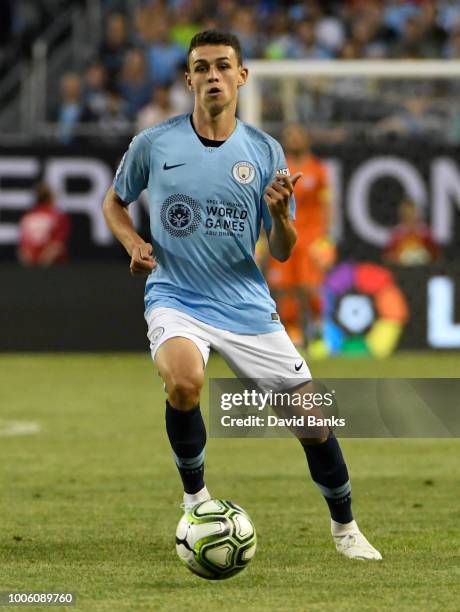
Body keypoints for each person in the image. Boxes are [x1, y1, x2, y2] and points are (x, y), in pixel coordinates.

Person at [103, 30, 381, 561]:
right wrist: (133, 241)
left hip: (245, 303)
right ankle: (196, 499)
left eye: (223, 66)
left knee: (313, 423)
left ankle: (346, 529)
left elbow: (280, 250)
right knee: (184, 381)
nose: (213, 76)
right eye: (202, 67)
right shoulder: (154, 143)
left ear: (242, 77)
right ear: (188, 79)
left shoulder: (264, 150)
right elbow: (114, 203)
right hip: (176, 294)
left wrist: (279, 217)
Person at [264, 124, 334, 345]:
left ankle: (317, 325)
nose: (292, 140)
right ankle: (293, 333)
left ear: (306, 139)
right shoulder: (279, 170)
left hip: (311, 236)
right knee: (285, 288)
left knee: (310, 286)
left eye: (296, 136)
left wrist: (326, 239)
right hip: (286, 232)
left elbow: (327, 205)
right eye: (288, 136)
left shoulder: (318, 169)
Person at [18, 182, 70, 266]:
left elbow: (23, 248)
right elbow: (57, 244)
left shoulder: (28, 216)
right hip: (53, 265)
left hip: (32, 265)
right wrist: (44, 263)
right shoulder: (57, 215)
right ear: (50, 197)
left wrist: (30, 266)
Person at [383, 196, 440, 265]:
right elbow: (387, 256)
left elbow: (436, 254)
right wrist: (399, 258)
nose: (409, 215)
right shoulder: (396, 234)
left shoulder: (424, 232)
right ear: (401, 214)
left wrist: (424, 257)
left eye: (411, 212)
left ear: (416, 213)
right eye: (406, 213)